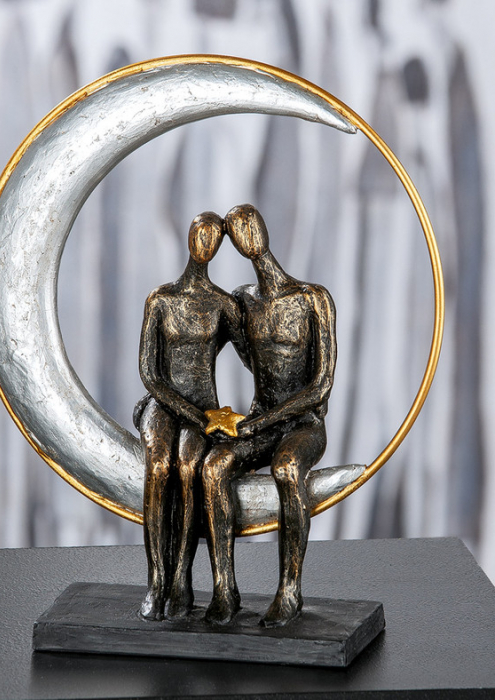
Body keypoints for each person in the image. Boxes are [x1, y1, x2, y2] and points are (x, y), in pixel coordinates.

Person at [202, 204, 337, 627]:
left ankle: (290, 590)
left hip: (302, 425)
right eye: (236, 227)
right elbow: (196, 346)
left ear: (263, 229)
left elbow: (321, 386)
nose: (245, 232)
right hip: (260, 421)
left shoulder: (313, 298)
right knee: (214, 466)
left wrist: (261, 422)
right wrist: (160, 400)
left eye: (250, 223)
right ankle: (224, 589)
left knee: (286, 469)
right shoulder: (242, 301)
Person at [135, 211, 247, 620]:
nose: (205, 242)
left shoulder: (223, 304)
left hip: (203, 408)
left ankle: (181, 576)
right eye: (200, 233)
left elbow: (256, 359)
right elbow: (149, 373)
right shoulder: (161, 299)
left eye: (213, 237)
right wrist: (194, 416)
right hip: (163, 403)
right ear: (188, 237)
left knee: (188, 468)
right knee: (159, 465)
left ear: (219, 246)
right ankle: (156, 580)